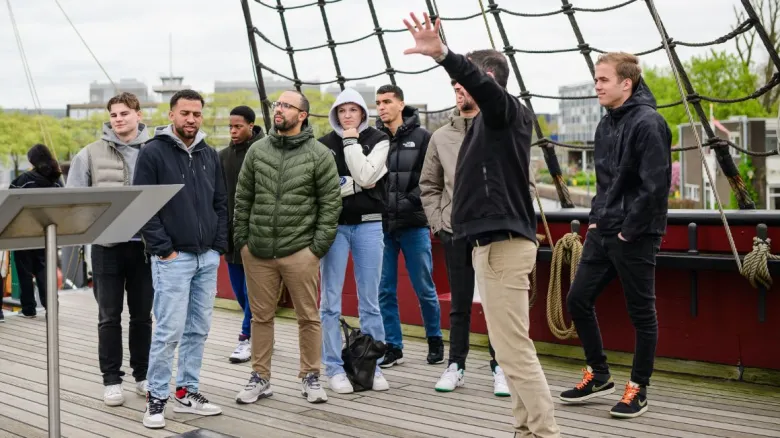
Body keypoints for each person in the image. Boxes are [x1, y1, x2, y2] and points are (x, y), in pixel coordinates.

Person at [403, 12, 560, 437]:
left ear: (487, 79)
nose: (459, 87)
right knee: (509, 354)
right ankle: (524, 430)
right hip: (485, 246)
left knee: (515, 353)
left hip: (503, 246)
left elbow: (485, 89)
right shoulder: (476, 130)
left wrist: (444, 55)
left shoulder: (503, 113)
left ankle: (544, 433)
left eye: (469, 77)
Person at [559, 52, 671, 419]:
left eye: (603, 80)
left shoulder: (649, 123)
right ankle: (599, 374)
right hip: (602, 231)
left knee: (641, 313)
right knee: (577, 299)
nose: (597, 86)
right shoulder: (605, 125)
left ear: (627, 83)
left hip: (634, 236)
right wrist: (595, 220)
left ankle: (638, 388)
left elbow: (655, 188)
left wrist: (626, 232)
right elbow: (604, 184)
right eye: (596, 79)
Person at [233, 90, 340, 405]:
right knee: (261, 318)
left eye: (286, 106)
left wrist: (315, 249)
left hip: (300, 252)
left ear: (302, 115)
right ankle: (260, 378)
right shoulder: (257, 151)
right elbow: (243, 198)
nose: (278, 109)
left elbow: (330, 206)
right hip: (258, 251)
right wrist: (244, 243)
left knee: (308, 316)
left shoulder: (319, 154)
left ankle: (310, 376)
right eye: (277, 104)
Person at [133, 89, 227, 429]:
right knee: (169, 331)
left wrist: (218, 246)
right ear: (171, 114)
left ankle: (187, 392)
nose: (191, 119)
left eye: (196, 114)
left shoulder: (208, 154)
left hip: (207, 258)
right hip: (174, 259)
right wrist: (165, 250)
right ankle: (156, 398)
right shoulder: (152, 153)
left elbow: (221, 202)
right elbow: (144, 206)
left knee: (198, 330)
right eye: (185, 113)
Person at [419, 81, 509, 397]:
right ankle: (456, 365)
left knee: (497, 303)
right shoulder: (440, 138)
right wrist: (438, 222)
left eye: (466, 87)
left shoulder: (500, 131)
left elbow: (520, 182)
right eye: (456, 88)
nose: (460, 93)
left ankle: (501, 367)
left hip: (493, 233)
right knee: (460, 303)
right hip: (454, 231)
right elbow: (428, 185)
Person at [66, 91, 153, 406]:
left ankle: (142, 376)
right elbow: (72, 201)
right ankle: (112, 380)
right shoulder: (88, 154)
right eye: (114, 114)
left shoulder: (155, 152)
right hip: (106, 248)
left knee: (143, 316)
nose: (118, 119)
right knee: (108, 316)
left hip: (145, 247)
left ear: (138, 115)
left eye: (124, 114)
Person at [317, 87, 391, 394]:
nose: (348, 115)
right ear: (336, 113)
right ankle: (334, 367)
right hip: (335, 227)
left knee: (370, 301)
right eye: (342, 110)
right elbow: (323, 188)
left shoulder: (379, 139)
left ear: (363, 113)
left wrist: (351, 145)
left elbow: (365, 176)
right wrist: (358, 183)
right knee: (330, 302)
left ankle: (370, 364)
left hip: (370, 226)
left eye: (354, 110)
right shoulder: (321, 145)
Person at [374, 84, 443, 368]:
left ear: (400, 104)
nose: (381, 107)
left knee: (424, 287)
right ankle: (393, 346)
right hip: (383, 226)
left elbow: (432, 179)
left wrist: (407, 200)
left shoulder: (424, 137)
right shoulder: (375, 139)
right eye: (378, 103)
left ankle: (435, 340)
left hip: (414, 223)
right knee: (384, 289)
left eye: (387, 101)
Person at [218, 105, 265, 364]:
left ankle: (245, 337)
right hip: (230, 237)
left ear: (250, 125)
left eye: (238, 126)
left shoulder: (265, 151)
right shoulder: (222, 156)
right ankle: (259, 331)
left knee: (253, 293)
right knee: (240, 292)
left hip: (257, 236)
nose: (233, 131)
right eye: (230, 127)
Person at [9, 143, 63, 318]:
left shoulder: (24, 179)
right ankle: (51, 307)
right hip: (46, 231)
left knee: (24, 271)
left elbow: (9, 202)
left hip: (22, 231)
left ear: (33, 160)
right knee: (44, 270)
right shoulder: (56, 180)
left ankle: (28, 309)